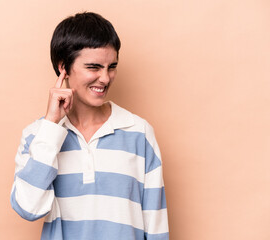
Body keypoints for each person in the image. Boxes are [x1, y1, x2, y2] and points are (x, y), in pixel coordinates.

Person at [10, 12, 169, 240]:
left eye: (111, 67)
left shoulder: (138, 132)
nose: (105, 78)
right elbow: (28, 208)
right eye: (94, 67)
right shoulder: (38, 135)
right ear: (63, 67)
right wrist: (51, 127)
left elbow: (156, 223)